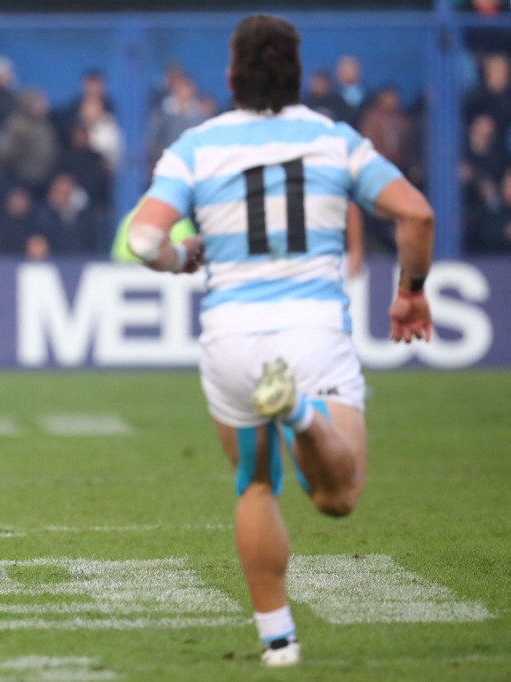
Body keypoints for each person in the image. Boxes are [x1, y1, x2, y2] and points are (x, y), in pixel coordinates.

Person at [126, 15, 434, 667]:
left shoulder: (196, 146)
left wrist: (183, 260)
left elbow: (143, 240)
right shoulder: (334, 141)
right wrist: (410, 290)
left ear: (232, 78)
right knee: (337, 497)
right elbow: (416, 212)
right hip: (312, 332)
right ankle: (297, 411)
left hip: (231, 339)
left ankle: (278, 643)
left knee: (255, 483)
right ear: (296, 78)